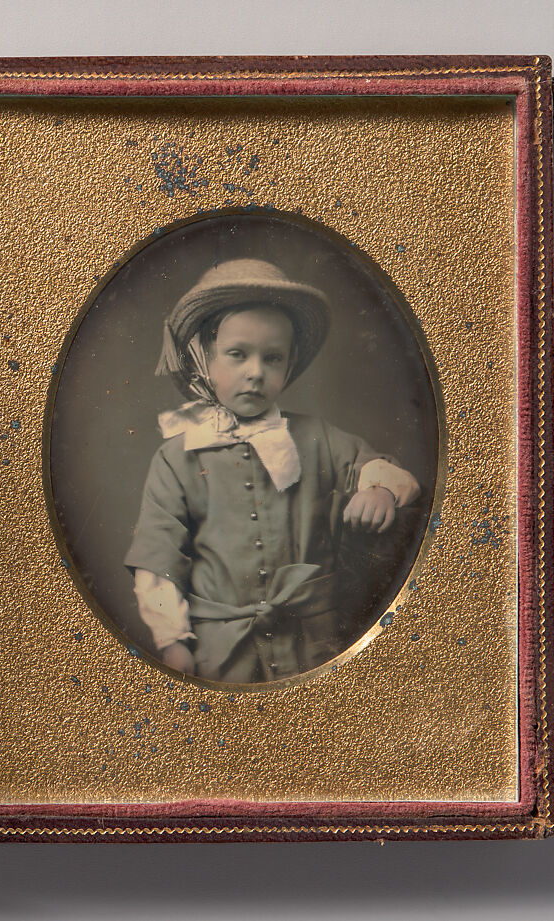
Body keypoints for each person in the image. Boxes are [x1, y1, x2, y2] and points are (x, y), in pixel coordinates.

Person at [123, 258, 420, 683]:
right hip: (223, 652)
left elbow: (385, 470)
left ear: (289, 364)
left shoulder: (317, 436)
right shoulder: (177, 458)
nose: (256, 373)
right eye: (238, 355)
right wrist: (172, 642)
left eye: (273, 358)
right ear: (204, 359)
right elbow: (157, 560)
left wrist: (379, 491)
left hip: (314, 643)